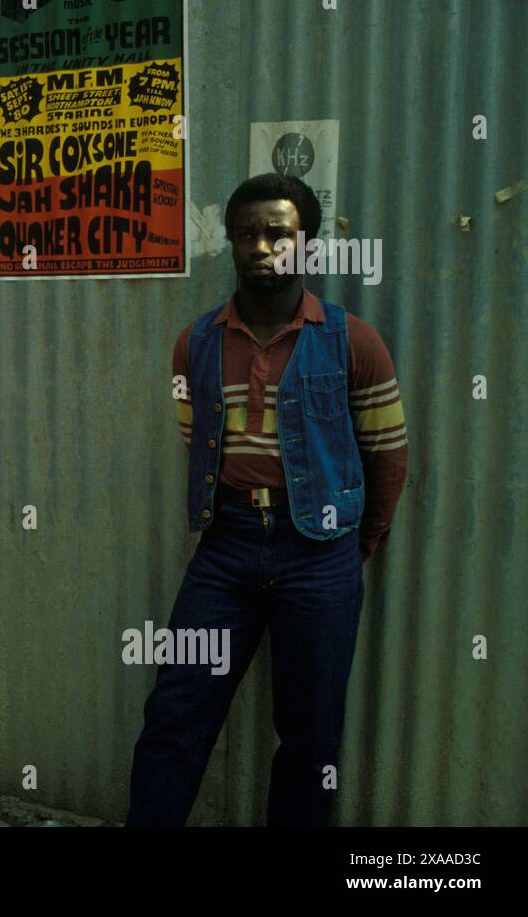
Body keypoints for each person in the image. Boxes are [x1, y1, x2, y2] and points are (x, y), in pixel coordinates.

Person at [127, 173, 409, 826]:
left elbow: (387, 455)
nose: (262, 246)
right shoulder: (196, 343)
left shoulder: (350, 341)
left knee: (310, 739)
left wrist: (350, 547)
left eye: (277, 232)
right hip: (224, 552)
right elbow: (193, 439)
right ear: (230, 242)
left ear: (305, 244)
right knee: (175, 713)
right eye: (247, 233)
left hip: (319, 554)